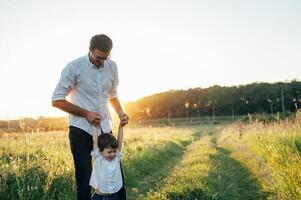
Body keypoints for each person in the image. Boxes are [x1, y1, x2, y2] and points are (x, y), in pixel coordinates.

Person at [51, 34, 129, 200]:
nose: (102, 62)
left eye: (106, 58)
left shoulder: (111, 66)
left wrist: (120, 112)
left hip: (105, 130)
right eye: (99, 57)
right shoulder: (74, 68)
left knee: (118, 175)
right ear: (90, 50)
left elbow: (112, 94)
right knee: (84, 180)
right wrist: (86, 113)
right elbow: (56, 100)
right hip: (81, 130)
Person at [90, 124, 124, 200]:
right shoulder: (98, 158)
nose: (112, 154)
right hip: (99, 197)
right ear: (101, 151)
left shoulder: (116, 159)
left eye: (114, 151)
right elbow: (95, 140)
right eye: (109, 152)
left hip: (113, 197)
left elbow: (120, 141)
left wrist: (120, 127)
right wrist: (95, 126)